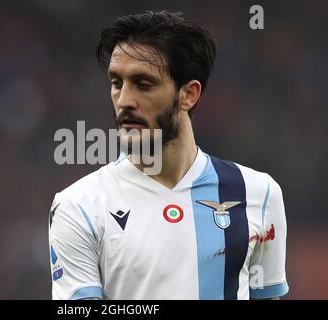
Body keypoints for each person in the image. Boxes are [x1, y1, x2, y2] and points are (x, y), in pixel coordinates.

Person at [48, 10, 288, 300]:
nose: (124, 101)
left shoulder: (259, 194)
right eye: (116, 83)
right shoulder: (79, 206)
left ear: (188, 94)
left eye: (143, 84)